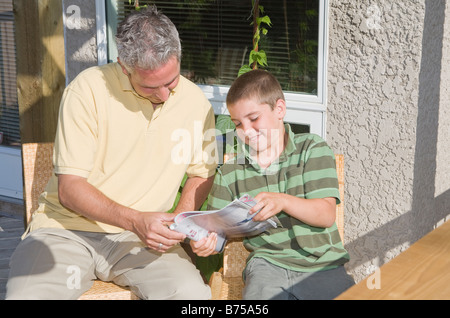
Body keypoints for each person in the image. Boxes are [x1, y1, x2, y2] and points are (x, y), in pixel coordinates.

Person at [6, 6, 217, 300]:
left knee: (191, 296)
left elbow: (201, 172)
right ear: (123, 66)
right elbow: (70, 189)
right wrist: (134, 221)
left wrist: (180, 221)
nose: (165, 95)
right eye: (150, 86)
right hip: (67, 231)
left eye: (171, 81)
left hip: (143, 243)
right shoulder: (87, 91)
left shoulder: (196, 103)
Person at [190, 69, 355, 300]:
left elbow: (326, 214)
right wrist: (208, 241)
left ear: (279, 109)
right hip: (267, 266)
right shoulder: (230, 172)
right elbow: (216, 227)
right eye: (238, 123)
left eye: (254, 119)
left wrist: (282, 201)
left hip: (323, 265)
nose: (246, 131)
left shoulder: (312, 149)